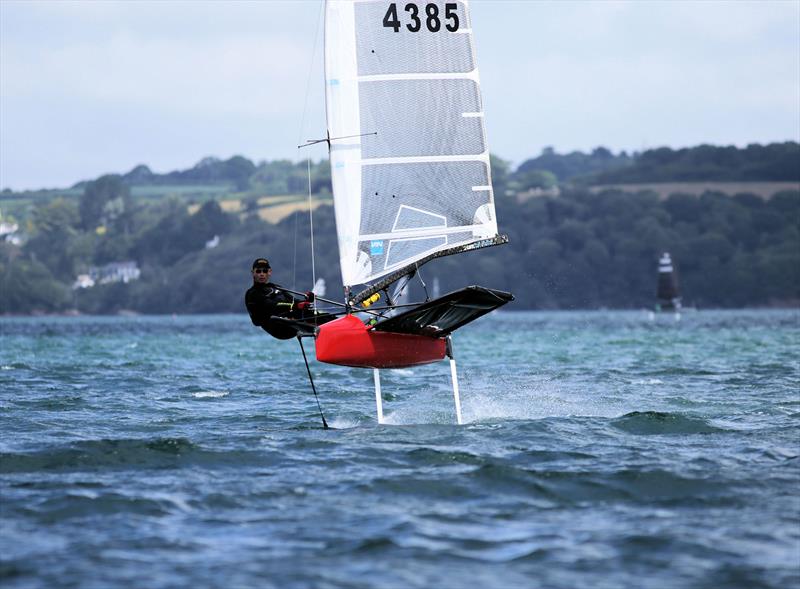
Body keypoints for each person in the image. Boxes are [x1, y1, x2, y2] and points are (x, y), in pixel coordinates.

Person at [245, 258, 321, 340]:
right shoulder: (252, 293)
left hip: (290, 320)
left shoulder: (276, 288)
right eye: (258, 271)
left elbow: (294, 301)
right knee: (293, 312)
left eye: (265, 271)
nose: (262, 274)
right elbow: (272, 305)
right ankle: (318, 327)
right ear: (253, 273)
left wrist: (307, 300)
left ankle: (331, 323)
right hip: (277, 327)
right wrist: (295, 306)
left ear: (269, 272)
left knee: (317, 315)